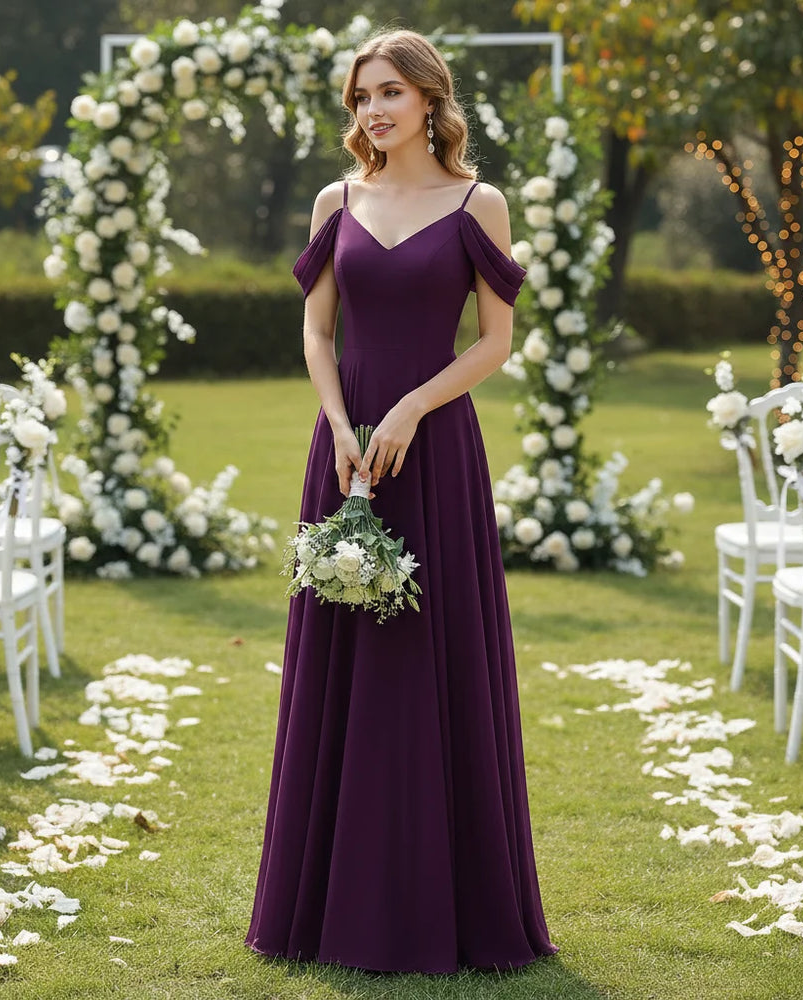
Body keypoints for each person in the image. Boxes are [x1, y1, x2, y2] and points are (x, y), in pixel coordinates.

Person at [246, 28, 557, 974]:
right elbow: (317, 330)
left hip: (436, 452)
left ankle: (448, 904)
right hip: (345, 452)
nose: (373, 110)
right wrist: (340, 423)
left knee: (435, 654)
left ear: (429, 99)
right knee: (347, 658)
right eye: (361, 97)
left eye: (389, 92)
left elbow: (495, 341)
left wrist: (414, 408)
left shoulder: (478, 203)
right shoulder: (336, 201)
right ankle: (324, 905)